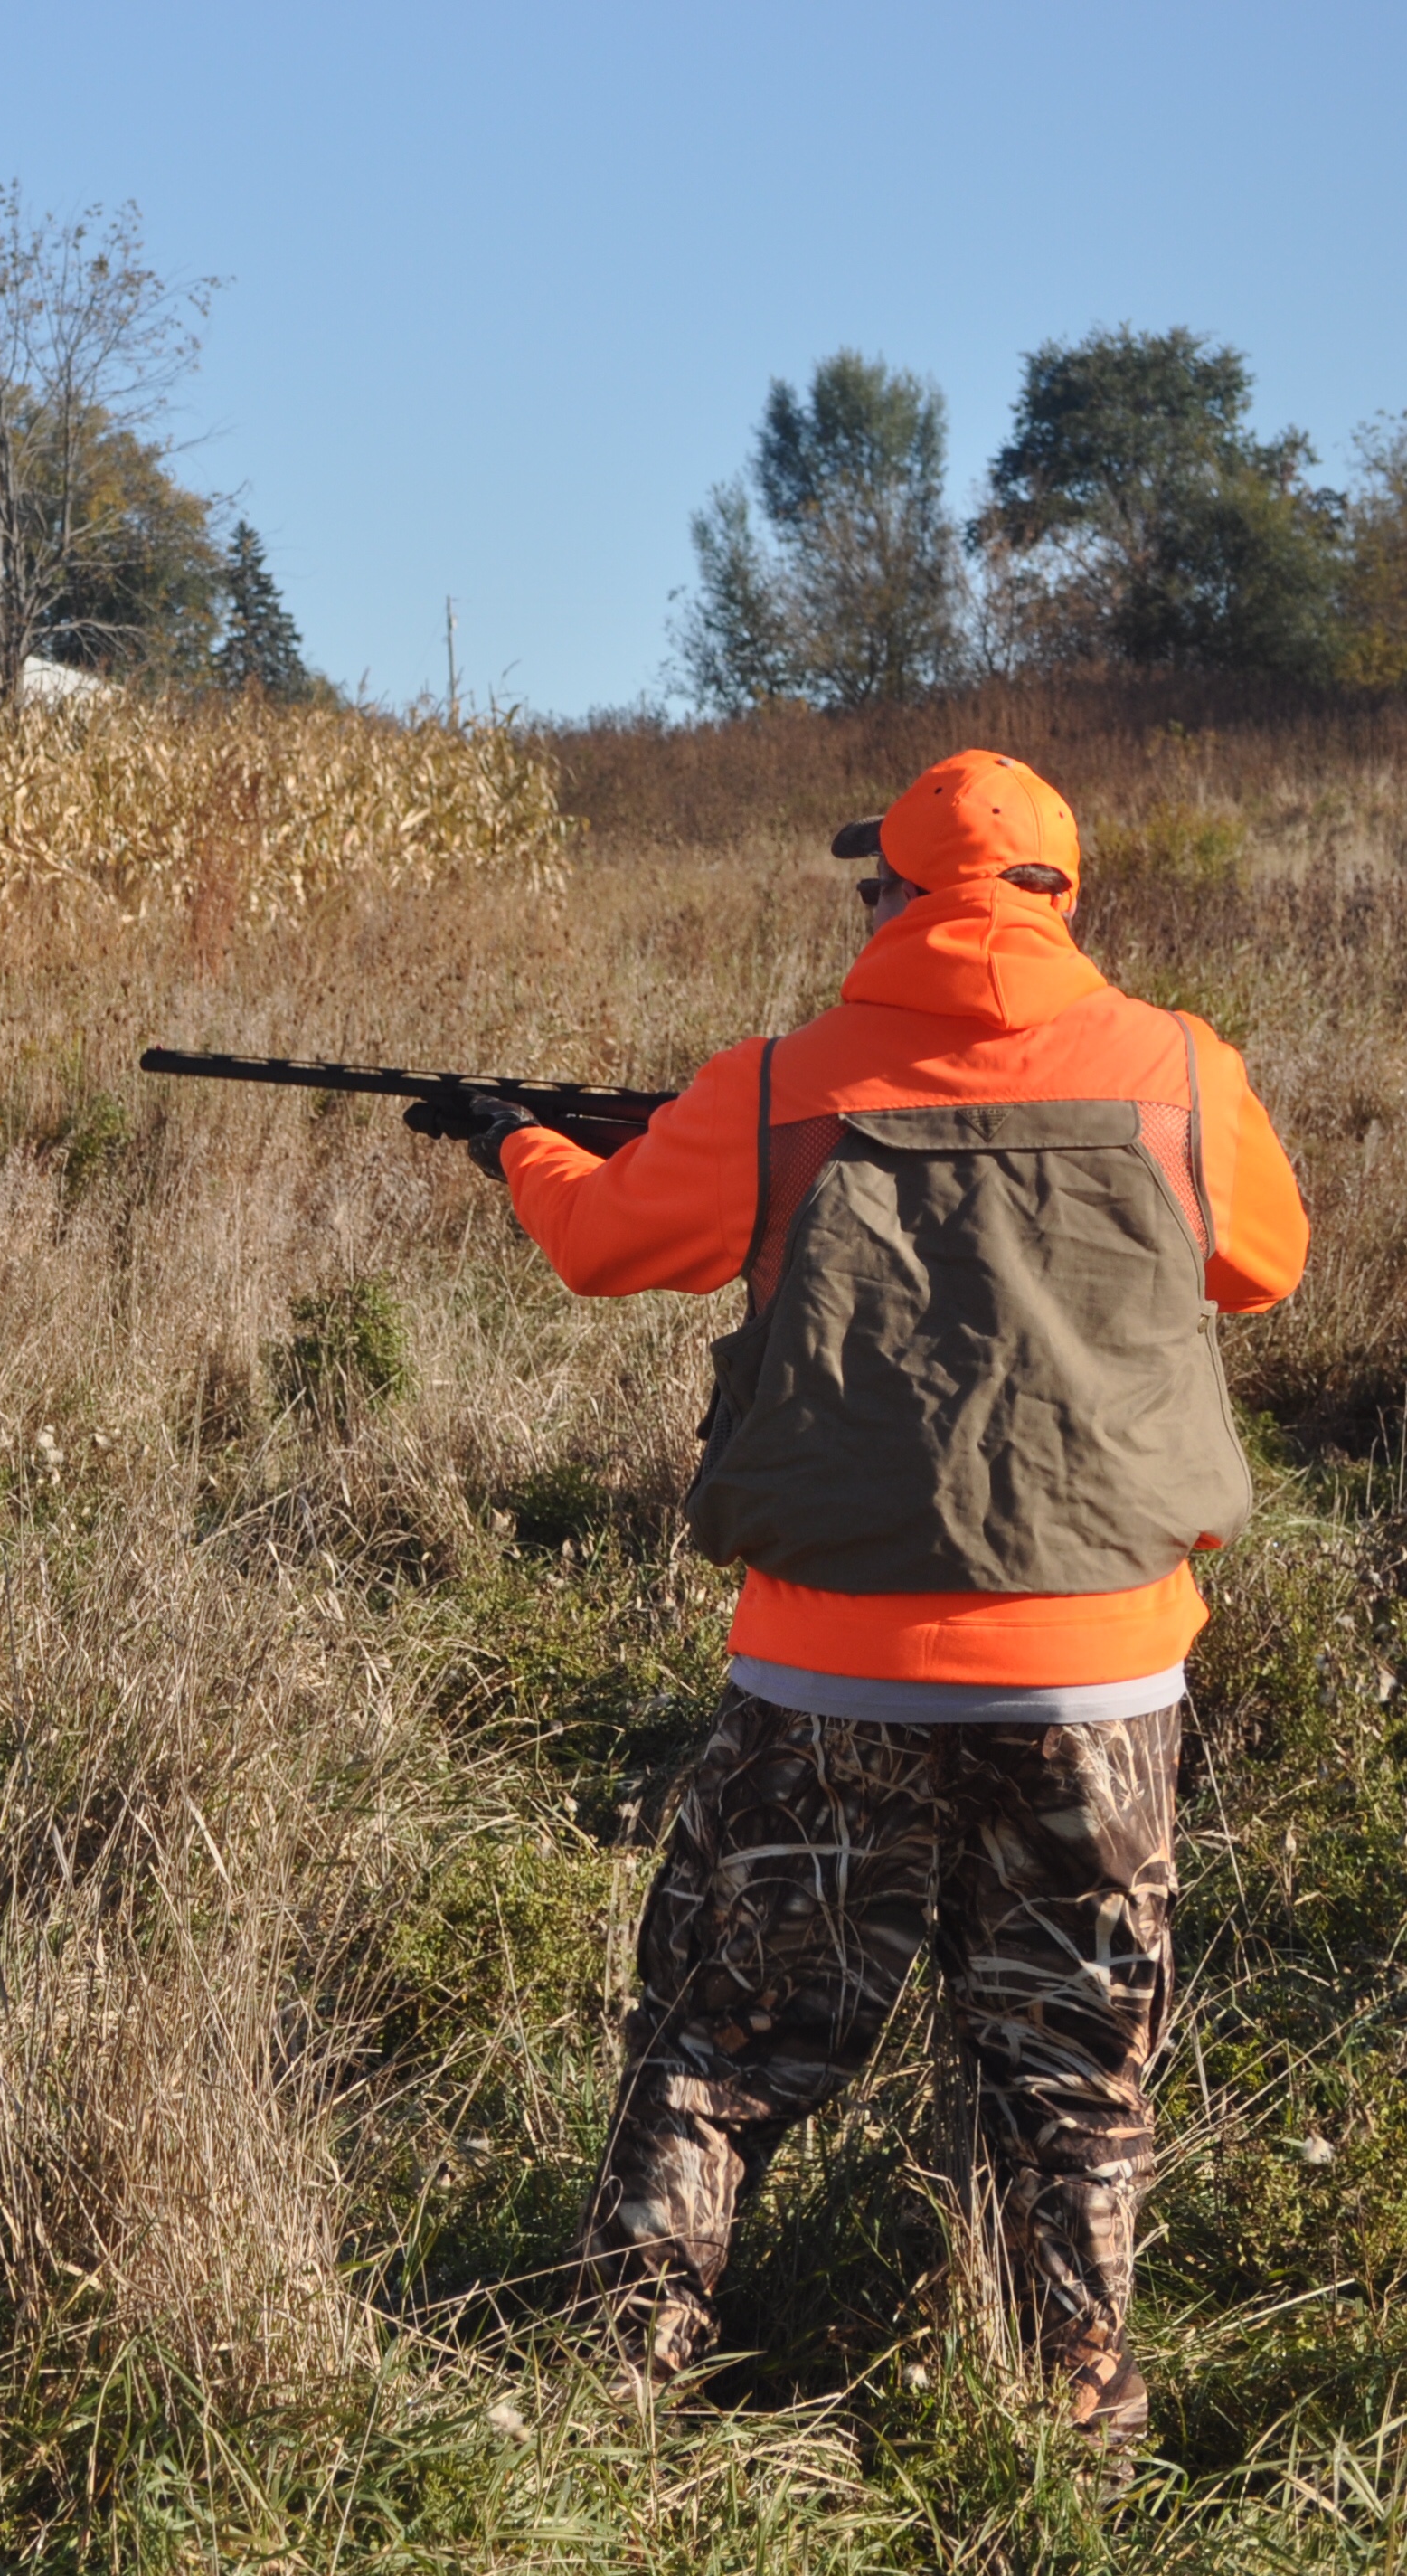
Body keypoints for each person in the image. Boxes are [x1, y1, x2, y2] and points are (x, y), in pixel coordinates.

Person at [409, 749, 1308, 2444]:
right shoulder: (1184, 1069)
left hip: (829, 1677)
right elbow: (1265, 1266)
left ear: (891, 895)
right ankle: (1079, 2423)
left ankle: (617, 2389)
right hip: (1102, 1678)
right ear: (1062, 895)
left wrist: (519, 1143)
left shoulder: (774, 1087)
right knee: (1069, 2069)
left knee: (720, 2043)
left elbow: (602, 1243)